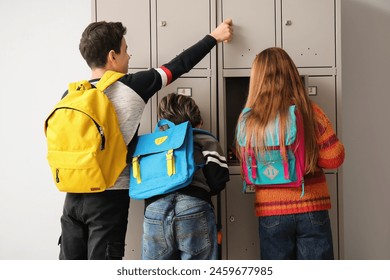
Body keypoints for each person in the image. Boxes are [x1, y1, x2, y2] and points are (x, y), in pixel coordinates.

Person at [58, 20, 233, 260]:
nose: (129, 56)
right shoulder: (133, 87)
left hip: (72, 197)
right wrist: (214, 37)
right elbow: (178, 65)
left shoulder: (71, 94)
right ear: (112, 56)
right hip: (108, 199)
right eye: (125, 49)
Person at [235, 47, 345, 260]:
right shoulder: (309, 111)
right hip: (311, 206)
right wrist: (306, 155)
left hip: (271, 212)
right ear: (291, 74)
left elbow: (247, 168)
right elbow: (335, 158)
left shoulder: (249, 120)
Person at [141, 93, 230, 260]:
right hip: (194, 205)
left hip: (155, 209)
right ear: (198, 121)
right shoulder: (205, 139)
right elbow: (218, 181)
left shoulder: (152, 142)